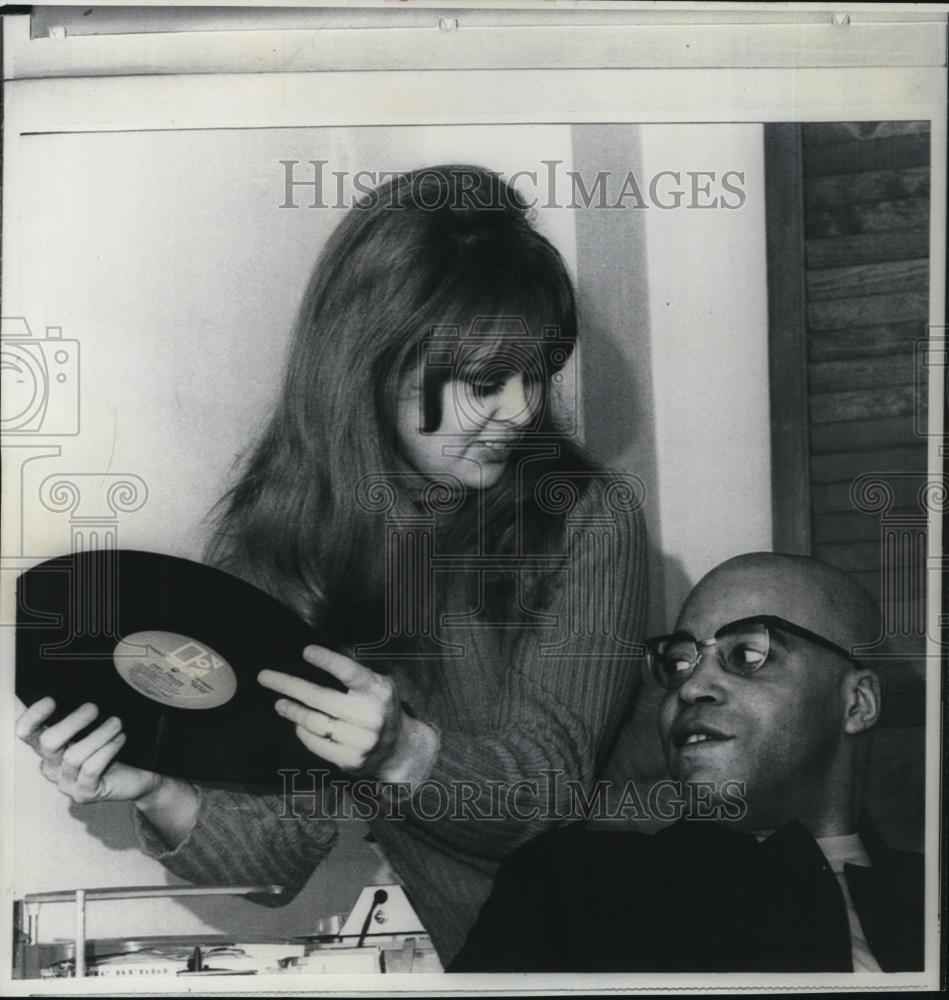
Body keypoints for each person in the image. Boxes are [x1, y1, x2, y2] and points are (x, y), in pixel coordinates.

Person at [16, 164, 648, 966]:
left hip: (645, 937)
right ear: (371, 363)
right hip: (491, 966)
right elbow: (278, 854)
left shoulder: (589, 514)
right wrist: (155, 790)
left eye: (538, 372)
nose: (523, 410)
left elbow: (547, 794)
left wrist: (404, 752)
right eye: (488, 380)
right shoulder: (279, 549)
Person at [451, 552, 924, 973]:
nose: (691, 687)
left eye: (747, 654)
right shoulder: (569, 886)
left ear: (858, 703)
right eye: (679, 663)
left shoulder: (927, 899)